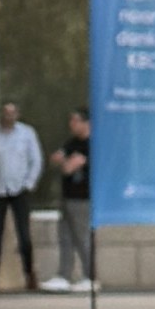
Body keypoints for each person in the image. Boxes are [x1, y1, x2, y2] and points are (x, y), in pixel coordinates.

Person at [0, 96, 45, 291]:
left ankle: (30, 275)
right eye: (6, 114)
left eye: (12, 113)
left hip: (18, 189)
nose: (9, 117)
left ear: (17, 115)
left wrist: (30, 182)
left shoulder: (26, 133)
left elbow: (36, 159)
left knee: (24, 236)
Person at [56, 99, 96, 290]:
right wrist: (66, 161)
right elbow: (58, 158)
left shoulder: (91, 145)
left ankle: (90, 276)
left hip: (82, 198)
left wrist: (67, 162)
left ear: (86, 122)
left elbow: (68, 167)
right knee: (65, 237)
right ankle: (64, 275)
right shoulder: (72, 143)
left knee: (82, 237)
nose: (72, 124)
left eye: (75, 120)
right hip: (67, 195)